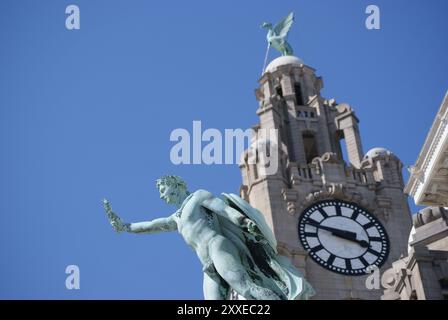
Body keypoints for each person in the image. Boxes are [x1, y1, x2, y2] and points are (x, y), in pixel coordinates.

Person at [103, 175, 314, 300]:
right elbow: (150, 226)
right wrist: (124, 226)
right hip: (208, 266)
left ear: (175, 184)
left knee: (246, 288)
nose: (161, 194)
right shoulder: (175, 218)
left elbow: (223, 210)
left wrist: (244, 222)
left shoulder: (197, 197)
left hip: (218, 246)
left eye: (162, 188)